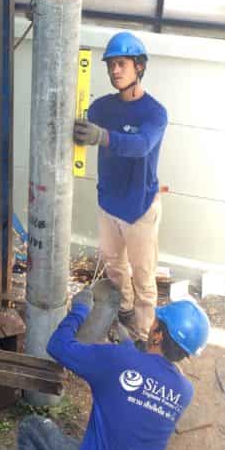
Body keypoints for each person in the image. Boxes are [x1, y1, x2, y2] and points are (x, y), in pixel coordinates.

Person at [16, 294, 210, 450]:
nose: (150, 326)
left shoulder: (116, 360)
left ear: (158, 335)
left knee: (32, 427)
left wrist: (79, 310)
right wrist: (128, 347)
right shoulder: (185, 391)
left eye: (155, 323)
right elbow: (146, 382)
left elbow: (58, 346)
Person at [73, 31, 168, 342]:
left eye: (122, 64)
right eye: (111, 65)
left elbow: (141, 145)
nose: (115, 70)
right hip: (109, 204)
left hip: (140, 208)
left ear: (139, 66)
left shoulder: (154, 112)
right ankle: (124, 312)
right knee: (114, 267)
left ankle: (143, 335)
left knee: (144, 277)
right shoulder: (101, 108)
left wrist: (102, 137)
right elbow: (77, 123)